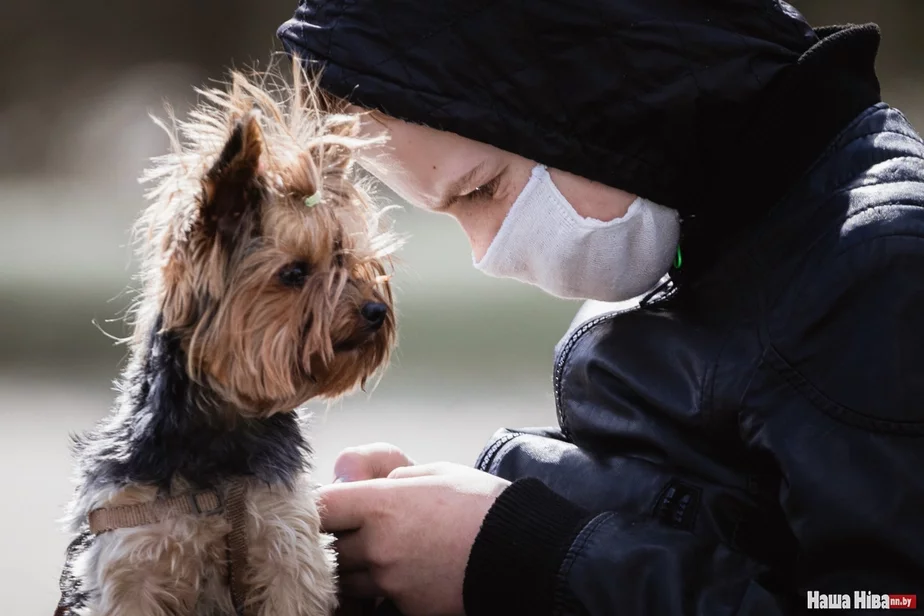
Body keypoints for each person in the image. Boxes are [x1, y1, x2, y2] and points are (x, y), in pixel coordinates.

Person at [276, 2, 924, 615]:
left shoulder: (876, 268)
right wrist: (455, 518)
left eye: (482, 190)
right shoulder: (698, 226)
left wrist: (514, 553)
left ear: (599, 91)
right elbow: (715, 515)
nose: (484, 253)